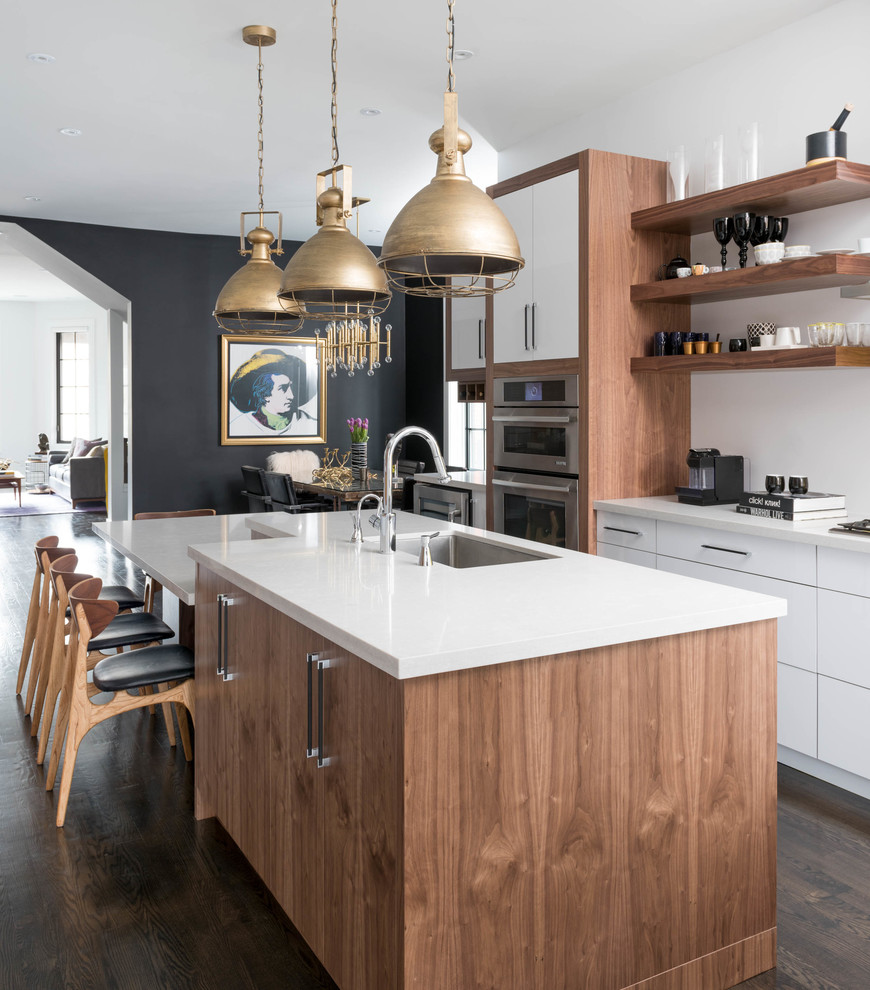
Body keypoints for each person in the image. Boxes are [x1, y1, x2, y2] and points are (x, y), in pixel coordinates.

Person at [228, 348, 317, 437]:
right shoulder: (239, 426)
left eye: (291, 387)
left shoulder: (309, 423)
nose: (291, 396)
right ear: (264, 394)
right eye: (283, 388)